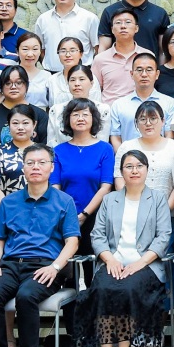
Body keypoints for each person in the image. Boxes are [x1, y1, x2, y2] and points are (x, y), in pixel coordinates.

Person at [0, 143, 81, 347]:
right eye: (30, 163)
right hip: (11, 265)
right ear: (23, 168)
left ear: (51, 167)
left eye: (42, 163)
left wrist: (55, 267)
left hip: (46, 267)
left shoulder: (64, 201)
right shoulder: (9, 202)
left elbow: (72, 242)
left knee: (26, 297)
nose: (36, 167)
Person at [84, 149, 172, 347]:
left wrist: (139, 263)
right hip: (112, 262)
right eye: (129, 166)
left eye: (139, 166)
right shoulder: (109, 199)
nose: (134, 170)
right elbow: (97, 235)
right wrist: (110, 259)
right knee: (102, 289)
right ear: (121, 172)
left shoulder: (158, 199)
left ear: (147, 170)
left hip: (145, 265)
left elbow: (164, 236)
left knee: (126, 289)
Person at [51, 98, 116, 253]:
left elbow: (106, 187)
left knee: (92, 261)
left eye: (85, 114)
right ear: (68, 119)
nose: (80, 118)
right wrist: (69, 215)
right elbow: (55, 186)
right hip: (64, 215)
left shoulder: (105, 149)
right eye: (75, 114)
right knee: (65, 261)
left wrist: (84, 214)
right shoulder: (58, 150)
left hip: (97, 216)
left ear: (94, 119)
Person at [33, 0, 98, 73]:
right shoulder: (43, 19)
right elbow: (41, 50)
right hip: (51, 75)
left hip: (81, 74)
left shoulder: (89, 18)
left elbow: (98, 49)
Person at [106, 53, 174, 150]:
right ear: (131, 74)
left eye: (149, 70)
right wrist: (124, 156)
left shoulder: (169, 103)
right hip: (128, 157)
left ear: (157, 74)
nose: (144, 74)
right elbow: (115, 137)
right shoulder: (119, 105)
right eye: (139, 70)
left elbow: (169, 134)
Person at [0, 106, 37, 219]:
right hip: (7, 213)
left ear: (34, 125)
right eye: (15, 123)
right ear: (8, 125)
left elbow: (53, 184)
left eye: (25, 123)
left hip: (39, 212)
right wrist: (11, 210)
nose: (20, 127)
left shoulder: (44, 152)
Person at [112, 102, 174, 197]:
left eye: (153, 118)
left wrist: (165, 206)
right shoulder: (126, 147)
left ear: (163, 121)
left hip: (168, 205)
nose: (148, 123)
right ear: (136, 123)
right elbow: (119, 179)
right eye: (143, 119)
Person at [0, 66, 50, 145]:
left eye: (19, 83)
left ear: (26, 85)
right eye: (8, 83)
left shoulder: (40, 115)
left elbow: (45, 146)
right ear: (1, 87)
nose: (13, 87)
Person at [47, 64, 112, 145]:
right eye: (72, 80)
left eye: (81, 79)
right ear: (67, 83)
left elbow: (102, 140)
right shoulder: (56, 110)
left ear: (91, 83)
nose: (77, 84)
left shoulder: (102, 110)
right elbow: (51, 142)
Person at [92, 9, 140, 104]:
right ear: (112, 29)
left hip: (140, 110)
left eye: (128, 22)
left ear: (136, 28)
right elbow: (94, 90)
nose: (123, 26)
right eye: (118, 23)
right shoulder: (100, 59)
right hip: (109, 110)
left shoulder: (147, 56)